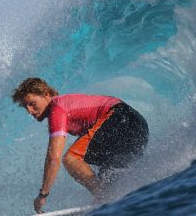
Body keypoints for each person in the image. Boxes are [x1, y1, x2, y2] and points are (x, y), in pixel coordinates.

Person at [12, 77, 149, 214]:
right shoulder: (64, 105)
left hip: (122, 118)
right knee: (106, 184)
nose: (29, 111)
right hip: (138, 128)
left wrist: (43, 195)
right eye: (26, 107)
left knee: (71, 159)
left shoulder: (57, 107)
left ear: (46, 95)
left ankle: (105, 198)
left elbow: (54, 158)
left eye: (32, 104)